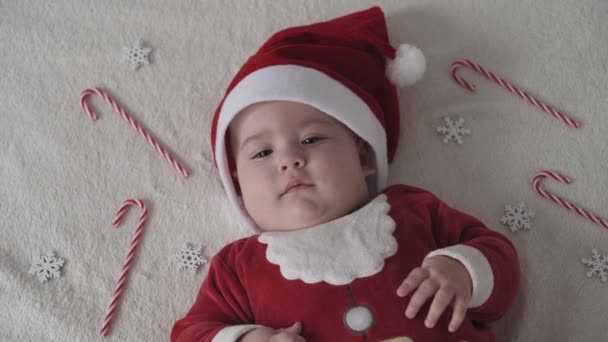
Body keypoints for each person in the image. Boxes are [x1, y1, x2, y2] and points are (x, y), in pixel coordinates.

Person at [172, 6, 519, 342]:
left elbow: (499, 258)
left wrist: (463, 271)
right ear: (238, 185)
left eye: (311, 139)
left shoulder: (412, 211)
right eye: (262, 152)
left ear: (363, 155)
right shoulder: (238, 268)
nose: (289, 160)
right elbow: (189, 335)